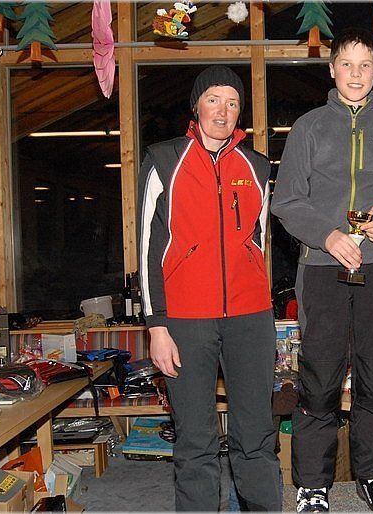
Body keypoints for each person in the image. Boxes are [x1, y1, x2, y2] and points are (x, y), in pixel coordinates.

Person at [271, 28, 373, 513]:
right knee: (319, 376)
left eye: (365, 65)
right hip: (321, 267)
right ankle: (312, 484)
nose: (356, 74)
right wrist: (328, 236)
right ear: (332, 69)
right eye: (347, 64)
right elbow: (286, 200)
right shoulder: (309, 127)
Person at [137, 65, 281, 511]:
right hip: (186, 320)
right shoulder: (163, 160)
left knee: (255, 435)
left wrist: (263, 306)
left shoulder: (257, 166)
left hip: (250, 319)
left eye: (232, 102)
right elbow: (147, 248)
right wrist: (156, 325)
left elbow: (259, 242)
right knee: (196, 440)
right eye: (214, 100)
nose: (223, 110)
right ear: (196, 106)